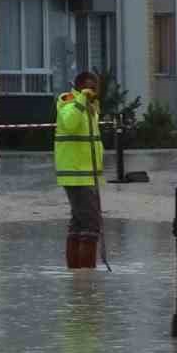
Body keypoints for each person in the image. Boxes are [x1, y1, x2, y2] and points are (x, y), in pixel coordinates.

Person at [56, 71, 104, 269]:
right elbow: (69, 125)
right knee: (91, 224)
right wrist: (81, 99)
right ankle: (86, 275)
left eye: (95, 88)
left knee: (78, 223)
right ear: (81, 87)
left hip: (87, 173)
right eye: (91, 88)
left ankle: (75, 274)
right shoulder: (68, 101)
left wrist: (88, 102)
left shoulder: (90, 106)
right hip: (76, 174)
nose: (94, 92)